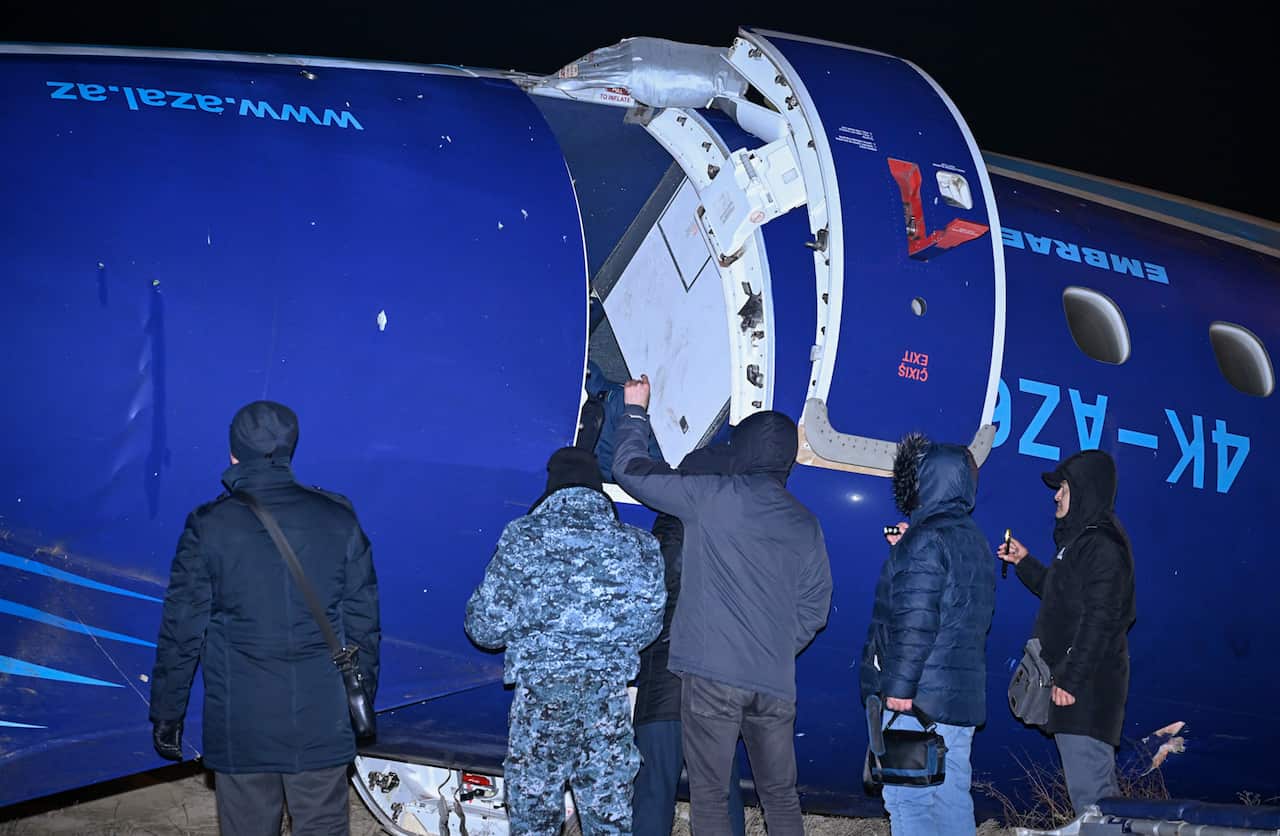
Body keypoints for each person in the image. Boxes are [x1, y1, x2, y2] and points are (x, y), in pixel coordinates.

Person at [612, 374, 832, 836]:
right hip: (774, 683)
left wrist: (634, 411)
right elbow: (815, 606)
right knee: (780, 797)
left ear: (744, 449)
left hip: (712, 677)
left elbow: (631, 470)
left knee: (709, 796)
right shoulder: (805, 522)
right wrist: (772, 647)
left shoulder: (714, 497)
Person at [149, 400, 380, 836]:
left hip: (241, 721)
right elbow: (363, 623)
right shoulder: (337, 518)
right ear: (290, 449)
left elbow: (182, 630)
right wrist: (360, 695)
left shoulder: (209, 525)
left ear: (234, 454)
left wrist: (167, 711)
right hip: (321, 717)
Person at [464, 446, 665, 836]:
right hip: (607, 702)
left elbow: (484, 628)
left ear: (552, 488)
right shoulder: (639, 546)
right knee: (610, 821)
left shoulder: (523, 538)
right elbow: (647, 629)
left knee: (534, 821)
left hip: (541, 702)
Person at [860, 433, 995, 836]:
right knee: (952, 796)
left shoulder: (926, 540)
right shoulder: (974, 541)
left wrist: (899, 690)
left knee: (908, 801)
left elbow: (916, 619)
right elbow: (951, 610)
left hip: (918, 700)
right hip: (957, 700)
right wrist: (903, 551)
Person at [997, 449, 1136, 815]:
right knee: (1090, 798)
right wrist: (1024, 562)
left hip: (1087, 693)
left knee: (1094, 801)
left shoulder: (1103, 546)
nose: (1056, 495)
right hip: (1080, 691)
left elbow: (1102, 618)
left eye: (1064, 488)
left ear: (1086, 490)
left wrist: (1071, 679)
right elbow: (1061, 595)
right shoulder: (1081, 543)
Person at [631, 442, 746, 836]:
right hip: (718, 688)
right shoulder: (742, 532)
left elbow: (646, 604)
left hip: (663, 683)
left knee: (653, 792)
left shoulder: (666, 527)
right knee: (719, 794)